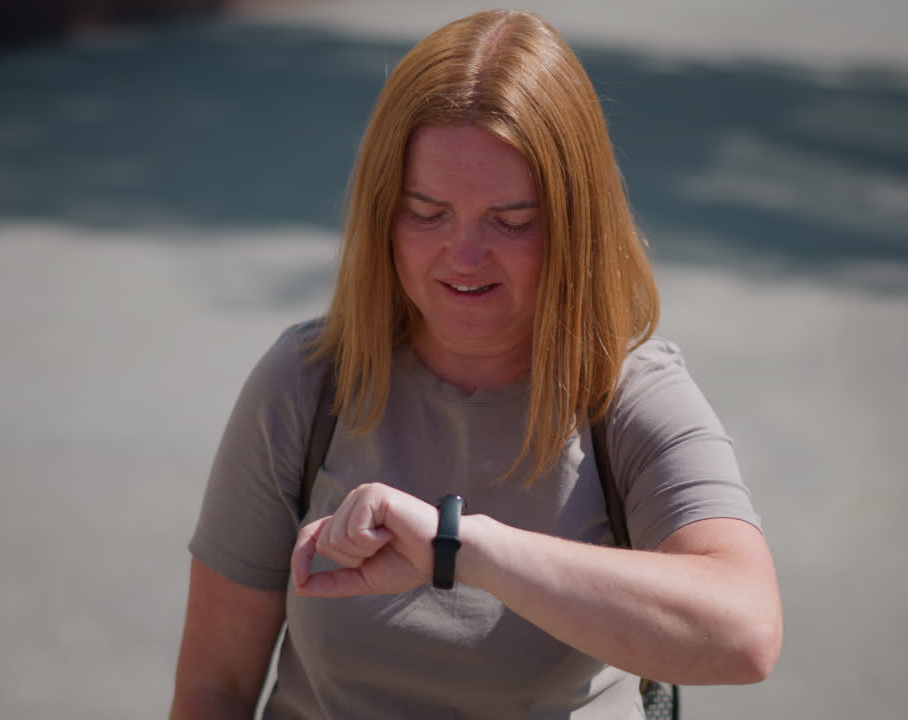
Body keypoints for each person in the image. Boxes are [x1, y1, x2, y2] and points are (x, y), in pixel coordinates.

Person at [170, 9, 782, 719]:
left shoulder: (628, 396)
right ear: (381, 215)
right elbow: (214, 688)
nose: (463, 257)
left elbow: (747, 633)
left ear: (575, 224)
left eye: (511, 220)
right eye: (427, 212)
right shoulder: (307, 383)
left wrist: (462, 548)